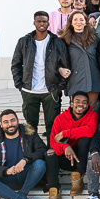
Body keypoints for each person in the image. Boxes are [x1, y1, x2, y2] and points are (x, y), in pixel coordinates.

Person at [11, 11, 69, 139]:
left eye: (44, 21)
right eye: (39, 21)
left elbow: (66, 65)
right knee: (30, 126)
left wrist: (59, 87)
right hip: (29, 90)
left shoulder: (57, 42)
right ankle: (32, 154)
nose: (42, 24)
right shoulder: (24, 41)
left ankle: (51, 153)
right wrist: (20, 85)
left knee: (52, 125)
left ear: (48, 23)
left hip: (51, 91)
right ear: (34, 23)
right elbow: (16, 64)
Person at [42, 92, 98, 199]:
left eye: (84, 102)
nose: (80, 105)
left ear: (88, 105)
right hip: (66, 157)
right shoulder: (60, 118)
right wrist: (65, 146)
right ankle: (54, 193)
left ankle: (78, 177)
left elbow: (90, 131)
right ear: (71, 104)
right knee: (50, 153)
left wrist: (65, 133)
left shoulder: (92, 115)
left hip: (81, 159)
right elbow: (53, 142)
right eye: (77, 101)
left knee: (84, 139)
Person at [0, 110, 46, 199]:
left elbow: (42, 150)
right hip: (7, 179)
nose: (10, 124)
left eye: (12, 120)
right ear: (1, 125)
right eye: (6, 122)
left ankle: (19, 197)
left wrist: (26, 159)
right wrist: (6, 171)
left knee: (40, 164)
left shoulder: (29, 135)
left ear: (18, 121)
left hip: (27, 175)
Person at [60, 11, 100, 108]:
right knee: (77, 111)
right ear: (71, 23)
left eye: (81, 19)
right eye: (75, 20)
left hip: (94, 80)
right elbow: (57, 59)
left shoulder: (94, 38)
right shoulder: (64, 40)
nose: (78, 22)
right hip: (75, 80)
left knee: (92, 112)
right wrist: (60, 69)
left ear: (85, 22)